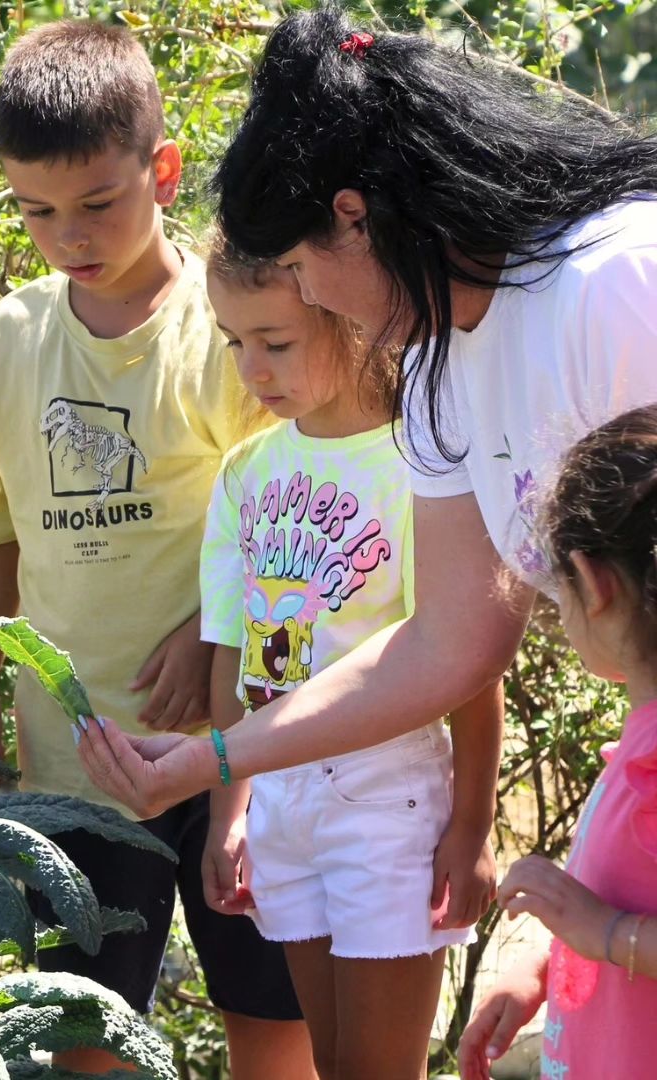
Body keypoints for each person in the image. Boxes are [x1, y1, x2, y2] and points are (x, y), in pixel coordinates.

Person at [75, 4, 657, 830]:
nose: (307, 296)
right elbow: (448, 643)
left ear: (355, 217)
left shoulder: (619, 285)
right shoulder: (434, 358)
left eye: (298, 266)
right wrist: (217, 759)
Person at [0, 20, 312, 1078]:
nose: (68, 233)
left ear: (162, 170)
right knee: (83, 1040)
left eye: (97, 202)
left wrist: (218, 637)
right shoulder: (10, 336)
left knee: (277, 1029)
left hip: (231, 749)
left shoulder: (231, 330)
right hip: (75, 759)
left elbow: (286, 541)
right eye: (36, 210)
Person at [195, 236, 500, 1079]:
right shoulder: (245, 470)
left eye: (276, 341)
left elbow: (467, 663)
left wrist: (472, 823)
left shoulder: (424, 460)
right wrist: (232, 812)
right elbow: (232, 651)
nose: (253, 368)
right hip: (283, 799)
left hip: (389, 802)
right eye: (235, 341)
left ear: (347, 318)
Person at [458, 406, 657, 1079]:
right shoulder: (640, 739)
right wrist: (544, 967)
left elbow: (617, 923)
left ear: (593, 584)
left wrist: (604, 933)